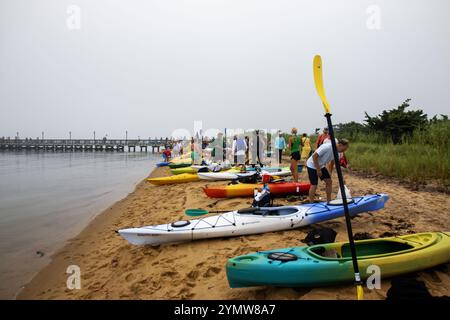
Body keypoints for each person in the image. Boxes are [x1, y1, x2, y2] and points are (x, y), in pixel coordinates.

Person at [306, 139, 349, 203]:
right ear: (339, 145)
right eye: (343, 149)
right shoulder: (327, 147)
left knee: (329, 182)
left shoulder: (338, 153)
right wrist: (318, 170)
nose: (343, 151)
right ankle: (311, 203)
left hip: (321, 165)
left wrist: (341, 178)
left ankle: (329, 201)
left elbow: (336, 166)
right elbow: (314, 156)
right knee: (314, 185)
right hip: (312, 165)